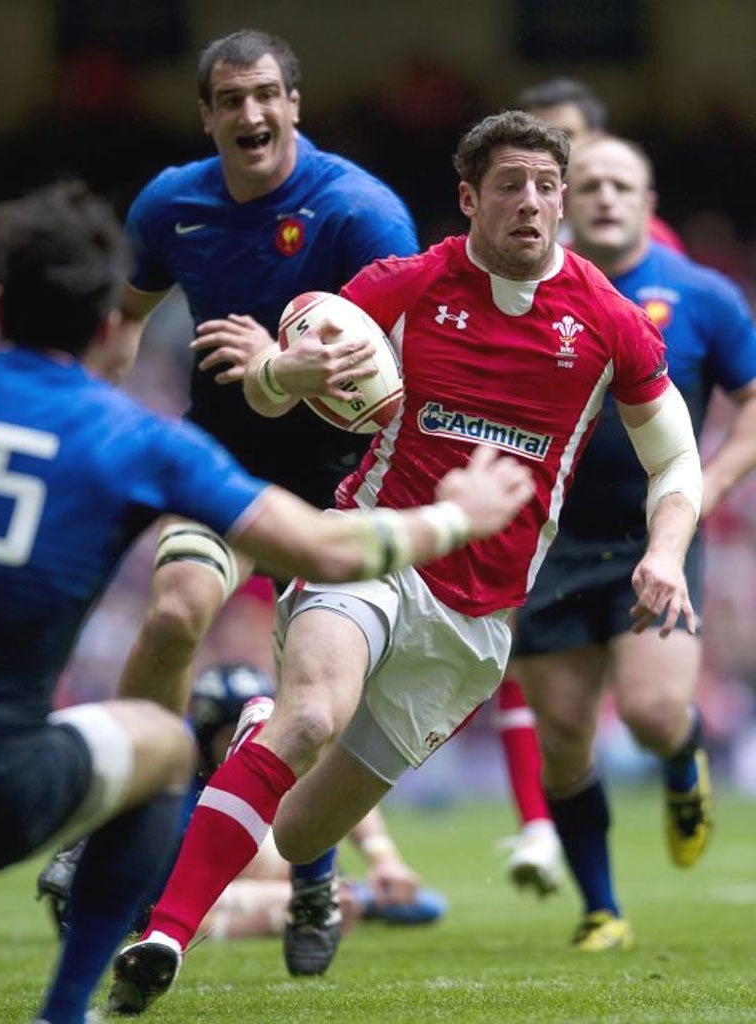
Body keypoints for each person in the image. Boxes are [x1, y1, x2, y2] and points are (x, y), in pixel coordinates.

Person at [107, 110, 703, 1015]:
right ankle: (164, 937)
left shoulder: (609, 322)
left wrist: (665, 551)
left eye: (546, 187)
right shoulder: (409, 282)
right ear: (470, 200)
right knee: (310, 719)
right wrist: (286, 373)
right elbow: (277, 386)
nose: (532, 204)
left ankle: (255, 725)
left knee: (306, 825)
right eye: (510, 185)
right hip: (374, 552)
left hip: (477, 621)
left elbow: (677, 459)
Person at [0, 179, 534, 1024]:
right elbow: (320, 547)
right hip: (13, 777)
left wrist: (275, 373)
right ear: (107, 326)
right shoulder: (131, 437)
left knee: (266, 695)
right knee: (167, 748)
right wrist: (459, 517)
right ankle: (65, 1009)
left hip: (307, 510)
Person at [35, 25, 426, 979]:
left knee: (311, 701)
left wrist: (288, 371)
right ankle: (124, 827)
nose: (251, 114)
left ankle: (318, 877)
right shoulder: (172, 205)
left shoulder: (359, 213)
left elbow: (404, 370)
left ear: (295, 104)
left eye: (266, 96)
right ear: (207, 114)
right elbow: (119, 329)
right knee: (174, 612)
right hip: (224, 473)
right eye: (231, 100)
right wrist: (100, 437)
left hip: (341, 487)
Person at [507, 134, 756, 952]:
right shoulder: (530, 290)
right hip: (549, 544)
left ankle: (683, 760)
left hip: (659, 534)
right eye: (592, 186)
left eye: (624, 185)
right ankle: (602, 909)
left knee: (651, 713)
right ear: (566, 205)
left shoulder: (702, 296)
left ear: (649, 203)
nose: (606, 198)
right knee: (566, 738)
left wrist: (711, 485)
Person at [188, 663, 447, 941]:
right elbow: (169, 900)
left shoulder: (276, 755)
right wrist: (272, 918)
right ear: (206, 738)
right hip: (230, 889)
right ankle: (331, 894)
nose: (252, 744)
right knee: (263, 847)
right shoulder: (183, 795)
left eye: (262, 731)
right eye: (236, 735)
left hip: (279, 884)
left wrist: (383, 857)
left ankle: (334, 893)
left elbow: (335, 789)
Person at [516, 76, 685, 253]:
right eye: (537, 137)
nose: (550, 147)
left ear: (597, 139)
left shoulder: (649, 236)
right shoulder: (505, 218)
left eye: (566, 135)